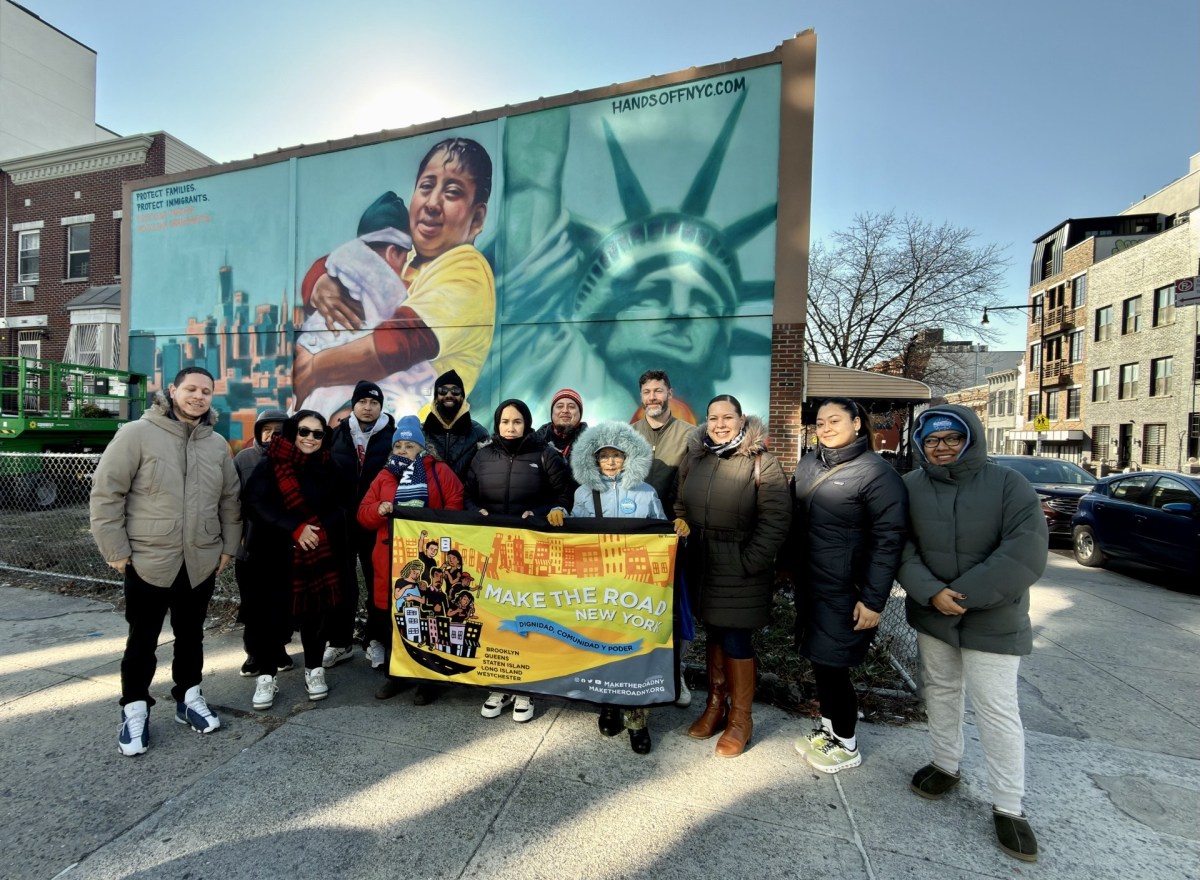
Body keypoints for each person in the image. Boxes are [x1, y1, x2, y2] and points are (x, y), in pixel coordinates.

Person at [897, 405, 1048, 863]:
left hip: (994, 617)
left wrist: (959, 595)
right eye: (932, 440)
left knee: (997, 709)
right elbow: (900, 546)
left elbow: (1025, 552)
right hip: (933, 611)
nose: (940, 448)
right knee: (941, 690)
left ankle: (1010, 805)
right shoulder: (910, 487)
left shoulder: (1008, 485)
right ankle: (946, 763)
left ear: (971, 438)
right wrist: (929, 591)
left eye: (951, 439)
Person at [90, 366, 241, 756]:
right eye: (191, 388)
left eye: (206, 391)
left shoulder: (215, 444)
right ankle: (134, 708)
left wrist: (227, 548)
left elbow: (229, 501)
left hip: (200, 561)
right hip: (148, 560)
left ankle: (188, 698)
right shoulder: (137, 434)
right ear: (172, 390)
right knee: (142, 641)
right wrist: (117, 552)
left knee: (191, 636)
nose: (198, 396)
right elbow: (107, 495)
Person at [294, 138, 496, 413]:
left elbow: (396, 345)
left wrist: (315, 368)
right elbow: (345, 263)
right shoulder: (408, 256)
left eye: (451, 192)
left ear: (477, 219)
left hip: (420, 433)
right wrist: (321, 281)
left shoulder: (467, 269)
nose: (432, 203)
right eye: (426, 186)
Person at [789, 398, 906, 773]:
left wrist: (873, 601)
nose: (825, 427)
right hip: (812, 584)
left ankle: (847, 743)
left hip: (847, 589)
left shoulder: (876, 474)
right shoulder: (809, 464)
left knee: (834, 664)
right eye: (820, 422)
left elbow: (888, 542)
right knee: (822, 663)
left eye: (834, 420)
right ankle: (829, 730)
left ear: (857, 423)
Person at [674, 394, 790, 757]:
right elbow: (679, 501)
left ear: (742, 420)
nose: (720, 424)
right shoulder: (695, 458)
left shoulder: (762, 463)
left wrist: (749, 562)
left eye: (728, 417)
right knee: (714, 634)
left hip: (740, 567)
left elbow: (776, 520)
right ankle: (715, 706)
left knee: (737, 639)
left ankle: (741, 719)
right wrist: (681, 524)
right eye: (713, 418)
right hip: (702, 563)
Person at [569, 420, 680, 754]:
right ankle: (608, 704)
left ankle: (637, 720)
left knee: (635, 650)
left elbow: (661, 534)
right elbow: (573, 535)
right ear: (594, 459)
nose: (611, 461)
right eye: (604, 456)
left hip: (637, 587)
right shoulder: (584, 493)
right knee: (602, 644)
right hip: (599, 585)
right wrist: (561, 514)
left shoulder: (646, 493)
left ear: (629, 457)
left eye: (617, 455)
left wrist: (677, 530)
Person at [465, 398, 573, 722]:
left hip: (531, 550)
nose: (510, 427)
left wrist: (538, 514)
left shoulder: (545, 454)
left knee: (526, 615)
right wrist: (475, 512)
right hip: (492, 549)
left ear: (526, 423)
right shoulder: (483, 456)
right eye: (505, 421)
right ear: (497, 424)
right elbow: (467, 494)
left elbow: (564, 497)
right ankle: (500, 683)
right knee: (496, 614)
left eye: (517, 421)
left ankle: (527, 686)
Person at [243, 411, 355, 707]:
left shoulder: (332, 465)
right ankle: (266, 676)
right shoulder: (272, 463)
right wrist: (293, 527)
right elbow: (254, 502)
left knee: (315, 615)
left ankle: (314, 669)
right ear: (293, 431)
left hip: (317, 551)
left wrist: (317, 530)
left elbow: (343, 504)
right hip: (275, 551)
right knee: (271, 618)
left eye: (317, 434)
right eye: (304, 431)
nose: (310, 438)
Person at [358, 415, 464, 704]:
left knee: (426, 617)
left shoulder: (439, 471)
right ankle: (397, 675)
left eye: (409, 445)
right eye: (399, 446)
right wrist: (378, 509)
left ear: (421, 447)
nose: (403, 450)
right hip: (387, 559)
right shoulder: (383, 476)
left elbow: (455, 503)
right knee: (392, 619)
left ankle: (428, 680)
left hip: (426, 562)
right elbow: (363, 514)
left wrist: (435, 525)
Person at [631, 368, 696, 708]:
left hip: (674, 533)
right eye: (647, 392)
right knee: (640, 607)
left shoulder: (690, 435)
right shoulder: (629, 435)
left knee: (676, 606)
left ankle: (676, 671)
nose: (652, 397)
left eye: (658, 391)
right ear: (641, 397)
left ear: (670, 393)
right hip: (638, 537)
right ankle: (637, 668)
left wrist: (684, 520)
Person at [325, 380, 396, 671]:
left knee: (377, 581)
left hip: (375, 522)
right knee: (342, 583)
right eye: (363, 402)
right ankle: (340, 643)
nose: (368, 408)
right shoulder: (337, 434)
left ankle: (375, 641)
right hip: (342, 522)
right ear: (353, 404)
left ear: (381, 407)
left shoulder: (392, 437)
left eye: (374, 403)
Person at [233, 407, 292, 678]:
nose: (272, 435)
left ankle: (279, 649)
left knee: (281, 602)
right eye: (266, 429)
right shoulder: (244, 458)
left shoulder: (295, 459)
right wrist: (237, 536)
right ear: (258, 432)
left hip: (284, 546)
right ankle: (254, 653)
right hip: (251, 545)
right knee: (253, 604)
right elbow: (231, 501)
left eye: (278, 430)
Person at [419, 368, 490, 480]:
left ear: (462, 396)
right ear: (436, 396)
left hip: (465, 496)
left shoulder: (479, 434)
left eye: (455, 390)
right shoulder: (420, 432)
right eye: (443, 390)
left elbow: (486, 473)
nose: (449, 395)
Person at [534, 388, 588, 474]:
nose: (565, 410)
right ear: (552, 412)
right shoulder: (533, 442)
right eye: (559, 406)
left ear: (580, 414)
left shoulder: (593, 446)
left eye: (571, 407)